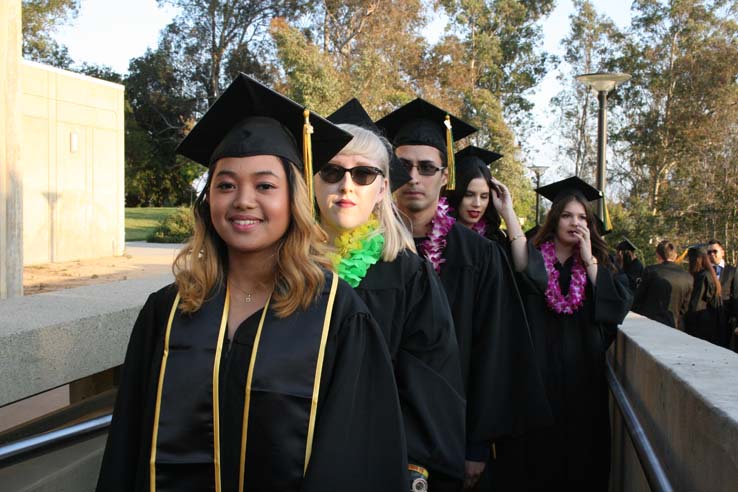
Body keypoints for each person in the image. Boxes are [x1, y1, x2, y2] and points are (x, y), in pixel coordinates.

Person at [96, 74, 408, 492]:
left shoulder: (338, 315)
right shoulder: (168, 311)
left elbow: (356, 459)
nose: (243, 200)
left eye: (265, 185)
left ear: (292, 199)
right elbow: (128, 447)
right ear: (209, 202)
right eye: (225, 185)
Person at [376, 98, 551, 490]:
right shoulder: (363, 249)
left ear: (444, 176)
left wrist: (476, 443)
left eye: (427, 167)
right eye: (403, 165)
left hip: (451, 432)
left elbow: (495, 348)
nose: (414, 177)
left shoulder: (479, 255)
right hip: (376, 429)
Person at [317, 98, 465, 489]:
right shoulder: (282, 269)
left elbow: (431, 382)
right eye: (331, 171)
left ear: (383, 188)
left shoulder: (407, 274)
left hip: (375, 465)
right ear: (311, 180)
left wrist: (413, 467)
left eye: (364, 174)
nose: (346, 185)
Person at [494, 175, 632, 491]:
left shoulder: (599, 262)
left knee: (581, 462)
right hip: (538, 381)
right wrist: (509, 213)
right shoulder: (539, 254)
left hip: (583, 383)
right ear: (555, 219)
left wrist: (590, 261)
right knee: (537, 461)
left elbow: (617, 308)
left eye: (582, 217)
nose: (575, 222)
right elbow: (521, 265)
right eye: (568, 215)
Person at [443, 146, 505, 243]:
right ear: (456, 193)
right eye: (469, 194)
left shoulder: (494, 240)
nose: (477, 204)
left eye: (484, 196)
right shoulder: (435, 236)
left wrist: (508, 211)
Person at [632, 240, 694, 330]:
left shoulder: (651, 271)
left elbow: (638, 298)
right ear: (676, 255)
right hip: (674, 326)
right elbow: (685, 308)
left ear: (657, 255)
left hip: (649, 325)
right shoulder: (688, 277)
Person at [685, 244, 724, 346]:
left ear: (697, 260)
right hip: (710, 323)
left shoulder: (703, 276)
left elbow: (696, 304)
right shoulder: (711, 274)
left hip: (701, 325)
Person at [707, 239, 738, 349]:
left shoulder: (732, 271)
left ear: (722, 252)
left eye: (715, 251)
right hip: (707, 319)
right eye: (709, 252)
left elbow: (735, 295)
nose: (712, 254)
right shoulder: (704, 272)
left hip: (726, 320)